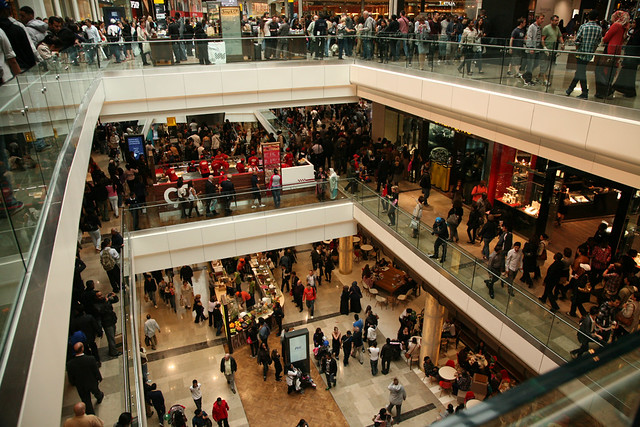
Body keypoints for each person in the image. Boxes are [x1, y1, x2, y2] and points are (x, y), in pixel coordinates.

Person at [565, 10, 602, 99]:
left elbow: (577, 41)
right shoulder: (599, 29)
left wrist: (577, 50)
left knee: (581, 72)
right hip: (589, 54)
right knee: (580, 71)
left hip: (581, 53)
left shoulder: (584, 27)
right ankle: (570, 89)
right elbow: (598, 42)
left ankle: (584, 92)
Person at [66, 343, 104, 416]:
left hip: (81, 385)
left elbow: (70, 376)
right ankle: (99, 397)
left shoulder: (70, 364)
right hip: (92, 381)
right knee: (96, 391)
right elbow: (95, 370)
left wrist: (73, 383)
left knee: (86, 400)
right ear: (82, 348)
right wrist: (99, 378)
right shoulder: (90, 359)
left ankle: (91, 414)